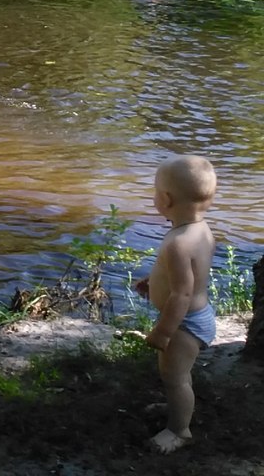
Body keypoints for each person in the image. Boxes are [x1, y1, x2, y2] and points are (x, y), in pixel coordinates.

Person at [134, 155, 217, 454]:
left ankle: (179, 430)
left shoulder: (177, 243)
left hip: (184, 323)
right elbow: (190, 276)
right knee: (177, 375)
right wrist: (154, 282)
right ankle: (175, 403)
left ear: (166, 199)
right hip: (197, 314)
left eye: (155, 190)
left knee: (175, 376)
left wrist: (163, 333)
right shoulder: (200, 230)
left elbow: (182, 294)